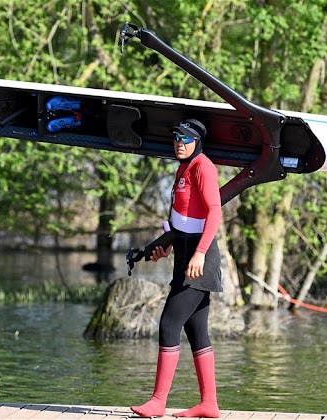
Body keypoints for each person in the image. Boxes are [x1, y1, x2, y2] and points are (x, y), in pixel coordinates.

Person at [130, 119, 222, 418]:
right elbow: (184, 218)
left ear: (197, 141)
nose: (179, 142)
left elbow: (214, 211)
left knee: (169, 323)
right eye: (176, 137)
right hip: (185, 251)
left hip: (199, 258)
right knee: (197, 332)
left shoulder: (203, 166)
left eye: (185, 138)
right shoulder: (183, 167)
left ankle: (158, 401)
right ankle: (209, 404)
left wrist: (199, 254)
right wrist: (165, 248)